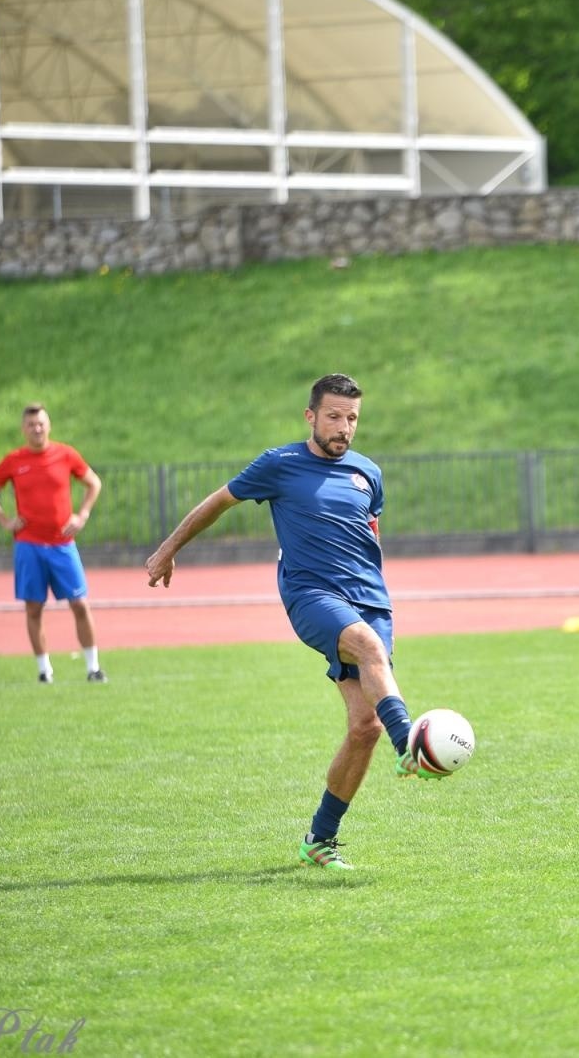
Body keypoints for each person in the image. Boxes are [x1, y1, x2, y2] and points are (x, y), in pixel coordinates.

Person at [144, 373, 427, 872]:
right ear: (311, 416)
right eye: (335, 416)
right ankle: (412, 746)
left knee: (364, 726)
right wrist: (168, 550)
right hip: (311, 595)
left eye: (353, 419)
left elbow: (371, 532)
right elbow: (218, 502)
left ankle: (320, 839)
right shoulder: (280, 464)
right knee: (365, 647)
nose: (344, 428)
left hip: (371, 601)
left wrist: (376, 593)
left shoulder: (368, 473)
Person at [0, 403, 107, 684]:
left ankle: (93, 667)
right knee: (34, 608)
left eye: (41, 424)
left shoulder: (65, 454)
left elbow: (93, 483)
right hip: (29, 545)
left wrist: (82, 515)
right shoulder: (14, 460)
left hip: (62, 543)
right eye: (31, 425)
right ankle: (44, 670)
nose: (37, 429)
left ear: (48, 426)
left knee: (80, 604)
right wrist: (4, 520)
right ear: (24, 429)